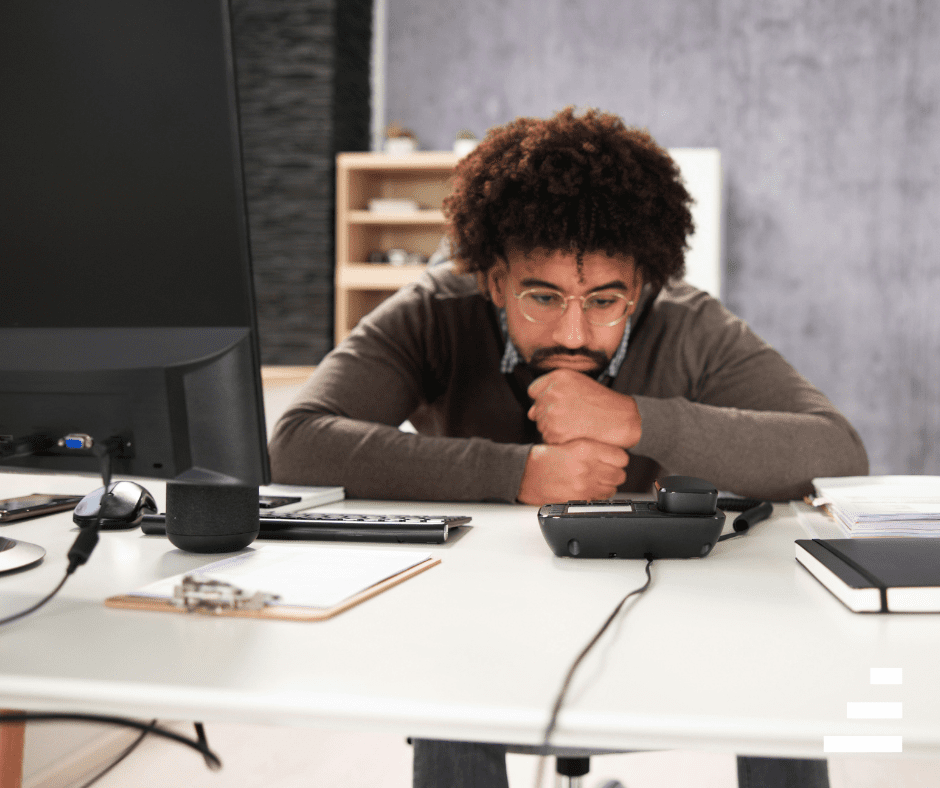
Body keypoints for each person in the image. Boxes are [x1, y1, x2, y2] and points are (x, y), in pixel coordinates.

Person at [269, 107, 867, 788]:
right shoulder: (435, 310)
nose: (574, 333)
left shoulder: (687, 322)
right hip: (478, 617)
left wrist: (636, 420)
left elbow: (838, 452)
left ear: (640, 286)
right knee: (451, 688)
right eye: (543, 298)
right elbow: (297, 443)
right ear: (494, 281)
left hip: (668, 605)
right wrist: (517, 471)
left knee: (785, 667)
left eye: (605, 301)